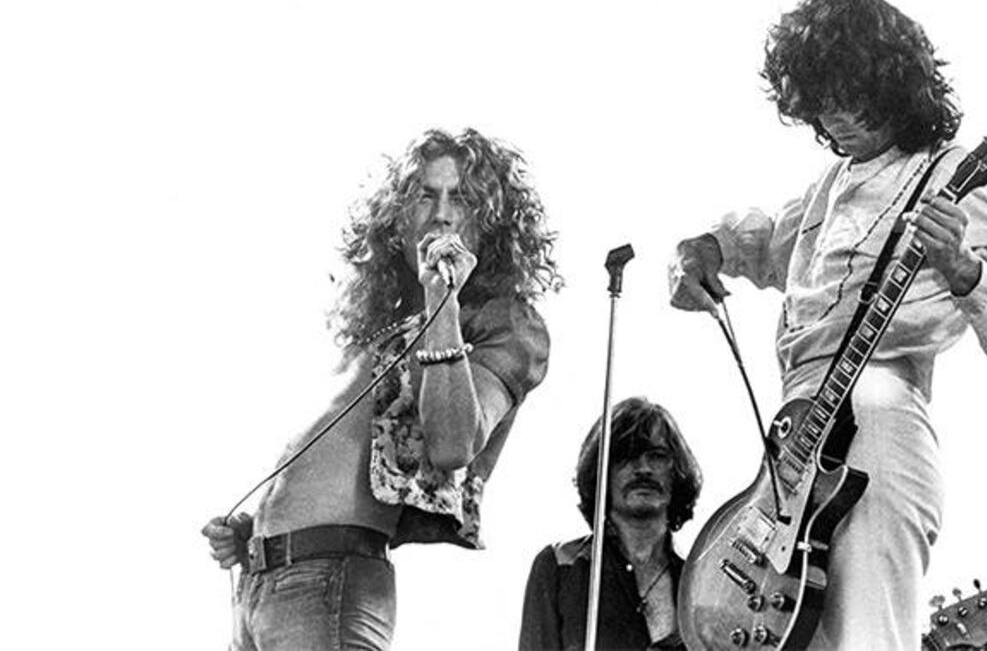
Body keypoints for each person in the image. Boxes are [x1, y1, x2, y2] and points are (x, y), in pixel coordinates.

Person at [668, 0, 987, 650]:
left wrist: (966, 272)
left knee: (867, 635)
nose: (833, 121)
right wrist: (703, 250)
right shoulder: (830, 188)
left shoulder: (955, 178)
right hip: (793, 451)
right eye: (819, 107)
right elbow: (765, 239)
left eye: (846, 100)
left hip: (879, 428)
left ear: (889, 83)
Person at [201, 128, 560, 650]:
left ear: (490, 220)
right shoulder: (389, 323)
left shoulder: (503, 322)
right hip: (264, 585)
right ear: (398, 216)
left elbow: (454, 443)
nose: (441, 213)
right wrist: (258, 530)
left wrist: (445, 298)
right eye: (425, 194)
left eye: (460, 197)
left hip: (328, 585)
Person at [519, 397, 703, 650]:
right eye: (626, 457)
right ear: (601, 473)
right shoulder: (560, 567)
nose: (643, 469)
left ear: (677, 471)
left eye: (657, 456)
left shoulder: (702, 580)